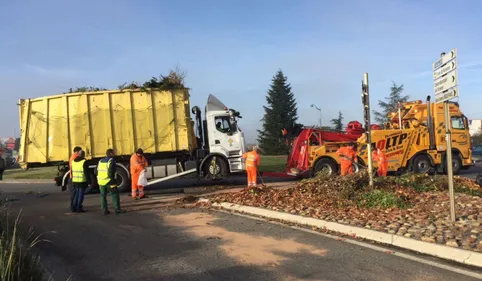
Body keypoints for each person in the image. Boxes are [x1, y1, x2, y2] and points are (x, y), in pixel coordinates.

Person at [96, 149, 126, 215]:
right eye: (114, 153)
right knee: (115, 194)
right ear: (111, 154)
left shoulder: (100, 161)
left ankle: (104, 210)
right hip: (109, 181)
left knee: (103, 196)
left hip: (101, 182)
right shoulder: (111, 161)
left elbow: (96, 171)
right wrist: (113, 181)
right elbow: (111, 172)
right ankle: (117, 209)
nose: (114, 154)